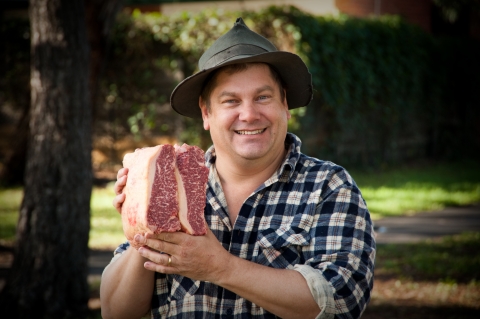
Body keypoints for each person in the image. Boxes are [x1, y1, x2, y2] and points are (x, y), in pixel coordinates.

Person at [100, 18, 375, 319]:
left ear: (284, 103)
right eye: (231, 101)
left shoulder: (329, 187)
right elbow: (115, 312)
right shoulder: (174, 182)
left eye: (263, 97)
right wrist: (144, 223)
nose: (249, 114)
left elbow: (340, 303)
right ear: (207, 113)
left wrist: (220, 267)